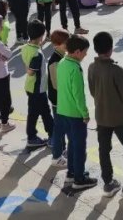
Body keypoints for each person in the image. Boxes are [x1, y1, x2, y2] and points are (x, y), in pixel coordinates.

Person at [88, 31, 123, 198]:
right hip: (118, 116)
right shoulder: (116, 70)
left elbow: (92, 91)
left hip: (101, 115)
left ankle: (108, 183)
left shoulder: (91, 67)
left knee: (104, 149)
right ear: (111, 49)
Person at [56, 35, 98, 190]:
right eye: (85, 52)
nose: (86, 55)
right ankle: (79, 179)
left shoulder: (62, 62)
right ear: (78, 52)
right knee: (79, 147)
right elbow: (78, 94)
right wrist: (85, 113)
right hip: (75, 114)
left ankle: (72, 172)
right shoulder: (75, 68)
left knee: (71, 144)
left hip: (62, 111)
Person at [22, 20, 53, 148]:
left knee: (34, 113)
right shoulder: (37, 54)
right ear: (41, 36)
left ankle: (33, 135)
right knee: (45, 112)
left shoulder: (26, 47)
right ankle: (51, 135)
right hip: (37, 89)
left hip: (30, 87)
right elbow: (30, 72)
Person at [47, 29, 70, 167]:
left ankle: (62, 150)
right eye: (66, 43)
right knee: (59, 129)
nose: (68, 45)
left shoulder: (62, 57)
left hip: (61, 100)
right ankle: (56, 157)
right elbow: (57, 85)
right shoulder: (55, 61)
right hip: (58, 101)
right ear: (57, 44)